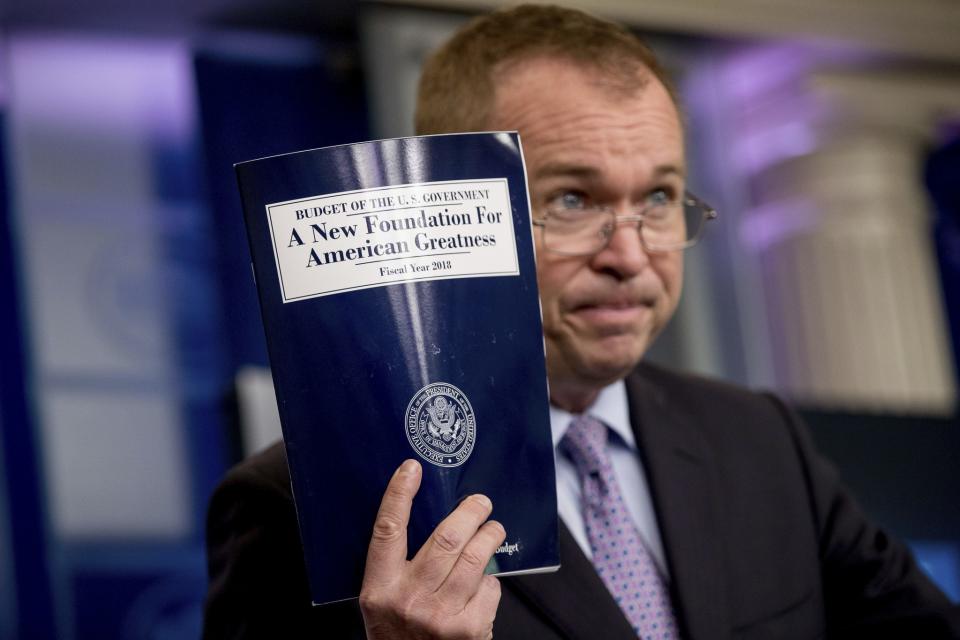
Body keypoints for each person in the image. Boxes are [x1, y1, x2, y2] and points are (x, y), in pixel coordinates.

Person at [202, 5, 960, 639]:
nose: (631, 255)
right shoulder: (291, 505)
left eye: (659, 197)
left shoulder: (759, 437)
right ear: (449, 206)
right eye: (573, 200)